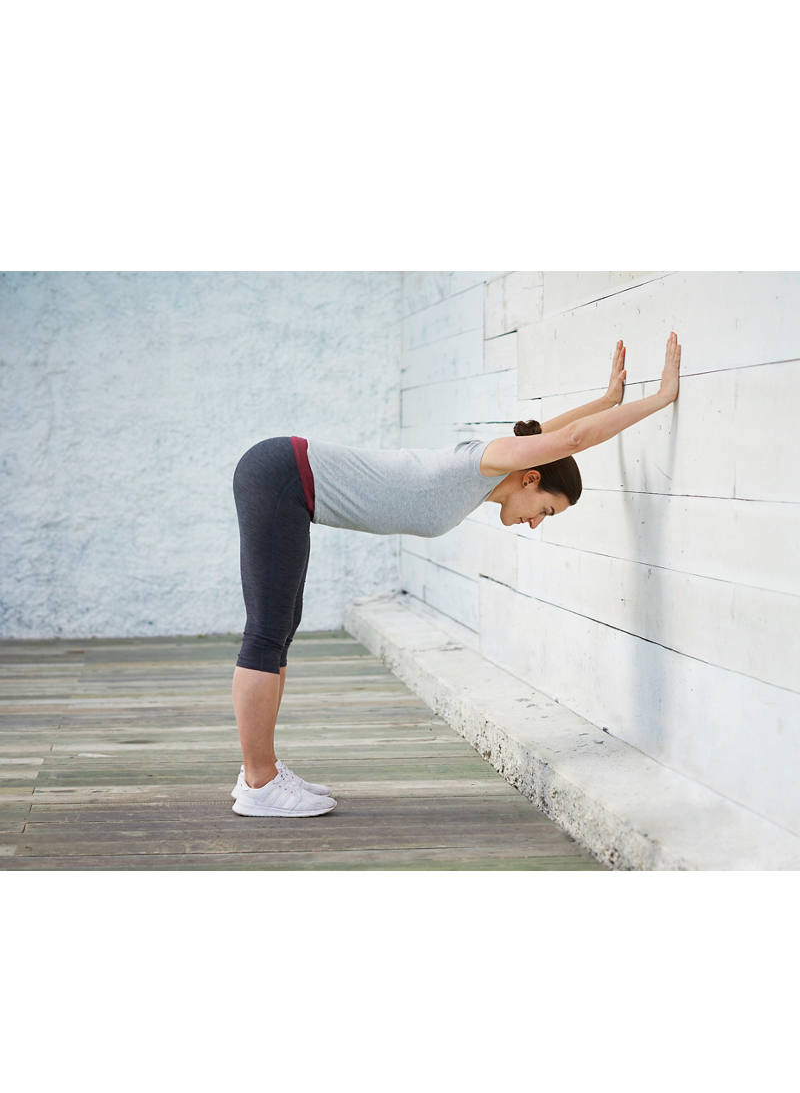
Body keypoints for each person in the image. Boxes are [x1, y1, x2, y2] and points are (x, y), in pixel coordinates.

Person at [231, 332, 681, 817]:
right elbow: (569, 441)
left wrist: (607, 400)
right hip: (281, 475)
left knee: (279, 632)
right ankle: (259, 784)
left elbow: (550, 439)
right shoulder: (483, 465)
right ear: (530, 479)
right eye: (545, 510)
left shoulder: (489, 473)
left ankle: (264, 772)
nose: (535, 523)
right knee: (266, 634)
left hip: (288, 482)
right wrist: (660, 399)